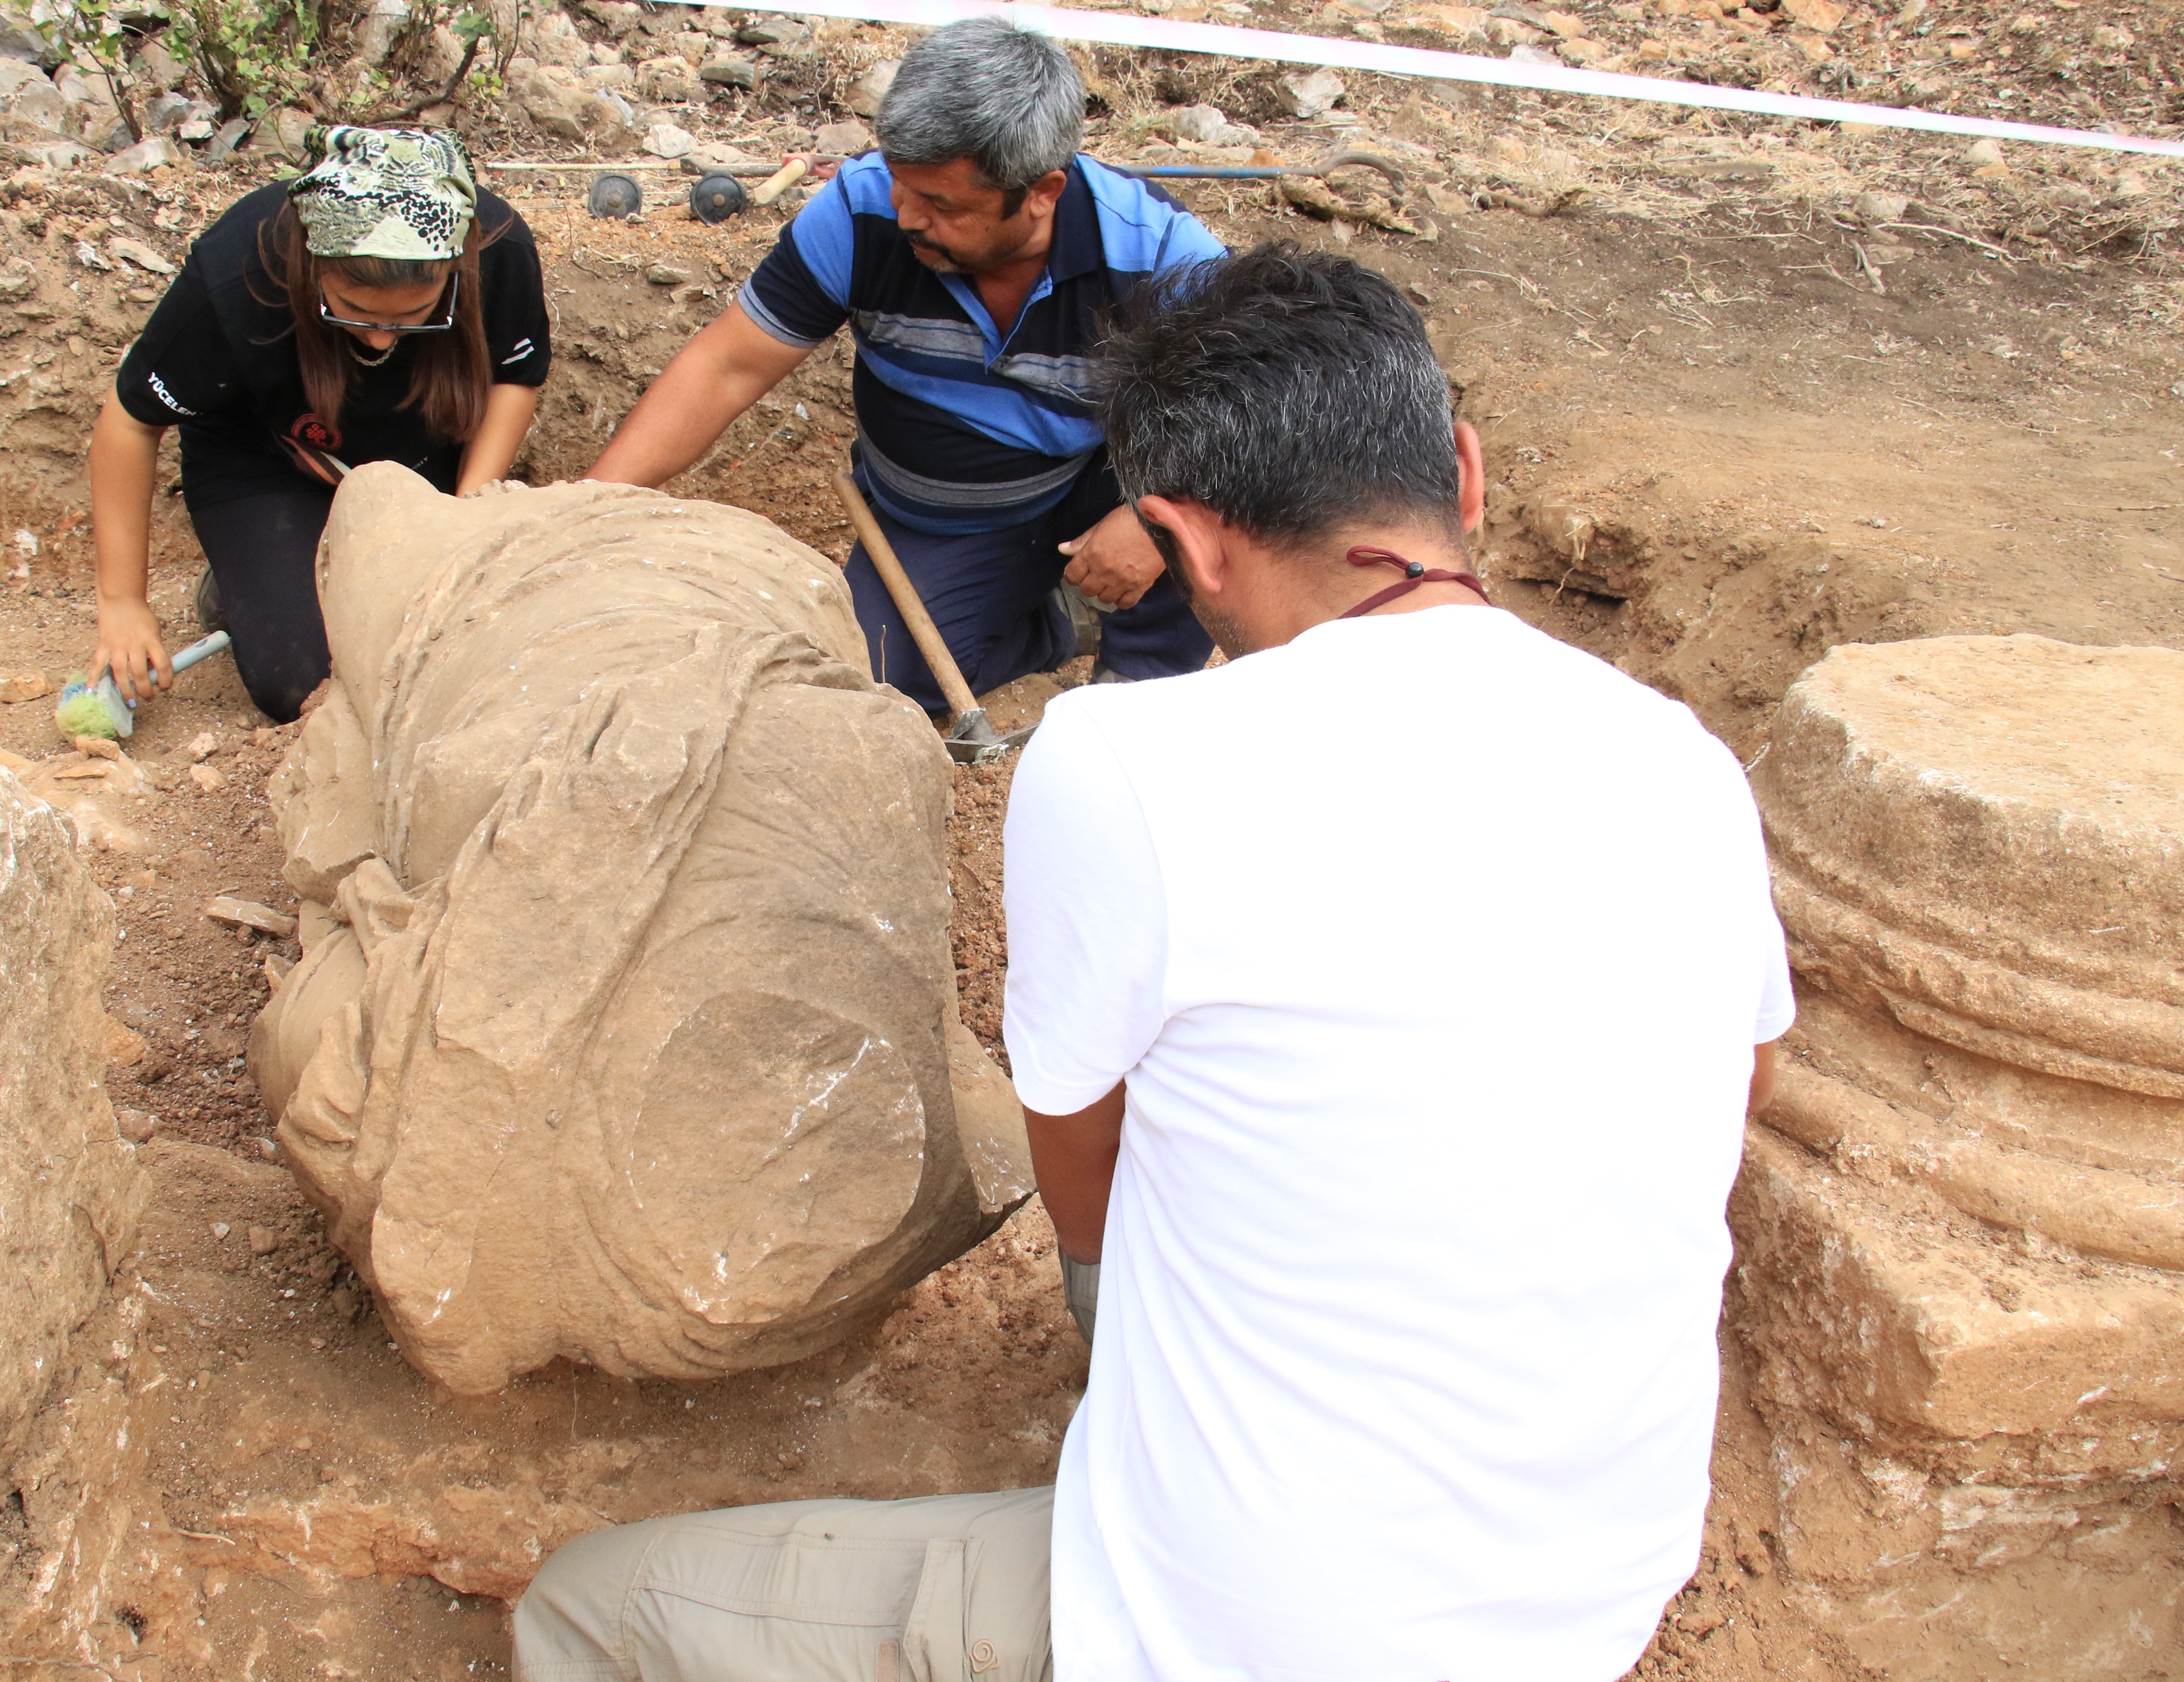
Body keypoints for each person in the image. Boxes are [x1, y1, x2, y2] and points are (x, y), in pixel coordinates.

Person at [509, 247, 1794, 1682]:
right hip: (1591, 1592)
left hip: (1271, 1633)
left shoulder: (1128, 763)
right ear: (1466, 475)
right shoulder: (1683, 765)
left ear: (1182, 539)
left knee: (583, 1603)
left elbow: (1084, 1157)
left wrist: (1128, 1319)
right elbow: (1719, 1096)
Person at [586, 17, 1224, 711]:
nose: (906, 216)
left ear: (1041, 192)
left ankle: (1143, 682)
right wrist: (582, 509)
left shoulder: (1156, 249)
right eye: (900, 184)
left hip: (1097, 475)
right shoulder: (859, 213)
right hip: (946, 513)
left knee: (1216, 511)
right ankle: (1053, 618)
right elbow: (726, 367)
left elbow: (1250, 408)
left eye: (941, 204)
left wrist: (1159, 522)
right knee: (882, 675)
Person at [88, 125, 551, 722]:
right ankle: (242, 579)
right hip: (268, 461)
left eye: (414, 316)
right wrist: (121, 601)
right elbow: (130, 423)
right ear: (311, 265)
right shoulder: (240, 270)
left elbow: (515, 377)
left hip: (421, 456)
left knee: (458, 644)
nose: (382, 336)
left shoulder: (498, 250)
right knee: (308, 686)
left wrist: (462, 516)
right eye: (354, 312)